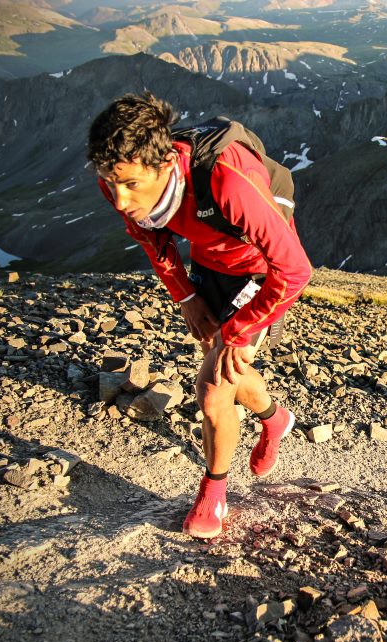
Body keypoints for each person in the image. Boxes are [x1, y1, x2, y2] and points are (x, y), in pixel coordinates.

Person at [87, 92, 312, 539]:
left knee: (212, 388)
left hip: (257, 270)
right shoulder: (120, 179)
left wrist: (241, 328)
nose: (119, 197)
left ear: (166, 164)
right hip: (210, 263)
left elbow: (294, 269)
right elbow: (152, 240)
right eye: (111, 182)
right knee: (224, 366)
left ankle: (214, 493)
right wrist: (186, 295)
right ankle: (274, 418)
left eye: (130, 184)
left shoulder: (229, 180)